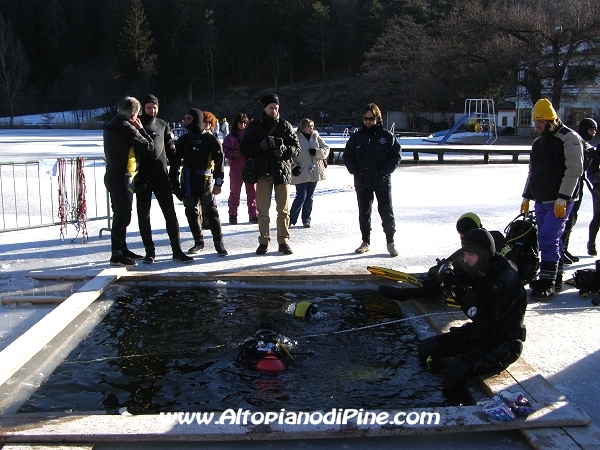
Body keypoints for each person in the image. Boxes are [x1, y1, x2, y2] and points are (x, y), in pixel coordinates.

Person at [418, 228, 527, 397]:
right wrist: (447, 270)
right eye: (465, 253)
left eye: (470, 255)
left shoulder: (505, 280)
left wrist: (459, 292)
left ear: (483, 254)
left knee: (454, 374)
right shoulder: (479, 264)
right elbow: (453, 265)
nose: (466, 259)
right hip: (481, 332)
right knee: (426, 348)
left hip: (504, 342)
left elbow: (486, 318)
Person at [520, 98, 583, 300]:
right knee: (548, 238)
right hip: (541, 198)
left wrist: (563, 198)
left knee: (548, 237)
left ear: (551, 120)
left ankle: (547, 282)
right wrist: (527, 196)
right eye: (535, 121)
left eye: (541, 121)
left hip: (560, 200)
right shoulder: (539, 142)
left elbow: (574, 171)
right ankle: (553, 278)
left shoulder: (568, 138)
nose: (537, 125)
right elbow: (533, 172)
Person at [379, 212, 516, 301]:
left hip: (498, 284)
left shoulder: (483, 243)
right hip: (492, 277)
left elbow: (457, 260)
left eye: (461, 233)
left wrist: (442, 272)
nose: (461, 237)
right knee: (453, 270)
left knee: (452, 275)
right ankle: (424, 288)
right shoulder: (485, 237)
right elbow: (456, 258)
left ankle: (410, 294)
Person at [240, 93, 301, 255]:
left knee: (283, 210)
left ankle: (283, 241)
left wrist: (281, 148)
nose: (274, 110)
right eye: (271, 107)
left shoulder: (285, 125)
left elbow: (296, 149)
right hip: (263, 172)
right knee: (263, 210)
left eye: (276, 108)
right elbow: (245, 149)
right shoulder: (255, 126)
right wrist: (262, 145)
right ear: (265, 108)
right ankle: (264, 241)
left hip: (282, 173)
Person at [136, 94, 193, 264]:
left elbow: (172, 153)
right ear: (142, 108)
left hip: (161, 177)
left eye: (154, 107)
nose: (152, 110)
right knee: (144, 215)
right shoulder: (136, 124)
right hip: (142, 178)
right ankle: (149, 251)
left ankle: (177, 250)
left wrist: (174, 174)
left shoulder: (163, 125)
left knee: (170, 214)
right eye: (148, 107)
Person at [343, 103, 401, 257]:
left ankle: (391, 242)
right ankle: (365, 241)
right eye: (365, 118)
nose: (368, 121)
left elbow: (396, 156)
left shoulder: (387, 136)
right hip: (363, 181)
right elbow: (347, 155)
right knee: (364, 213)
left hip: (381, 180)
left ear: (377, 118)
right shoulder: (357, 137)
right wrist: (355, 171)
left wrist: (384, 172)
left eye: (371, 118)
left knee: (386, 212)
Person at [103, 96, 155, 267]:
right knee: (122, 215)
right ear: (134, 115)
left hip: (112, 174)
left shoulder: (111, 124)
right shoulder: (126, 128)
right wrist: (141, 129)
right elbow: (149, 146)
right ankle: (116, 254)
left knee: (120, 213)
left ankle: (122, 248)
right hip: (122, 177)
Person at [169, 108, 228, 256]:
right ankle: (198, 241)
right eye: (185, 118)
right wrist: (175, 185)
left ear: (196, 120)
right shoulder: (183, 140)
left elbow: (219, 162)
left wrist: (218, 182)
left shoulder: (211, 139)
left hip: (205, 180)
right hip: (188, 180)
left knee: (210, 210)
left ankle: (218, 243)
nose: (185, 121)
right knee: (191, 212)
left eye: (188, 119)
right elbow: (175, 163)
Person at [561, 118, 597, 265]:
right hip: (570, 183)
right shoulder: (576, 142)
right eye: (590, 129)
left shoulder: (588, 146)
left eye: (595, 130)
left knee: (573, 217)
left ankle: (564, 248)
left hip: (579, 185)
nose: (593, 132)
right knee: (566, 218)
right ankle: (560, 250)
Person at [290, 118, 330, 227]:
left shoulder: (316, 136)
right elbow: (289, 154)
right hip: (301, 171)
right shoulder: (296, 137)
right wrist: (293, 166)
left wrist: (317, 152)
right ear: (302, 126)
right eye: (308, 126)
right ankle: (291, 219)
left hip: (314, 171)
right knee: (301, 196)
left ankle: (306, 219)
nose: (311, 128)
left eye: (312, 126)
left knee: (309, 197)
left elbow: (326, 149)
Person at [223, 113, 258, 225]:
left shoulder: (251, 135)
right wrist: (234, 154)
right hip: (236, 168)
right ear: (236, 123)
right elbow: (225, 150)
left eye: (245, 122)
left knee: (252, 192)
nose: (243, 124)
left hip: (250, 167)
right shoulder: (231, 137)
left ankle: (253, 214)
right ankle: (232, 215)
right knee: (235, 192)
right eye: (241, 122)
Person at [581, 119, 600, 255]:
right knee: (598, 217)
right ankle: (591, 243)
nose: (593, 132)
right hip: (599, 189)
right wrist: (597, 185)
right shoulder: (597, 150)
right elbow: (593, 171)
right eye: (591, 129)